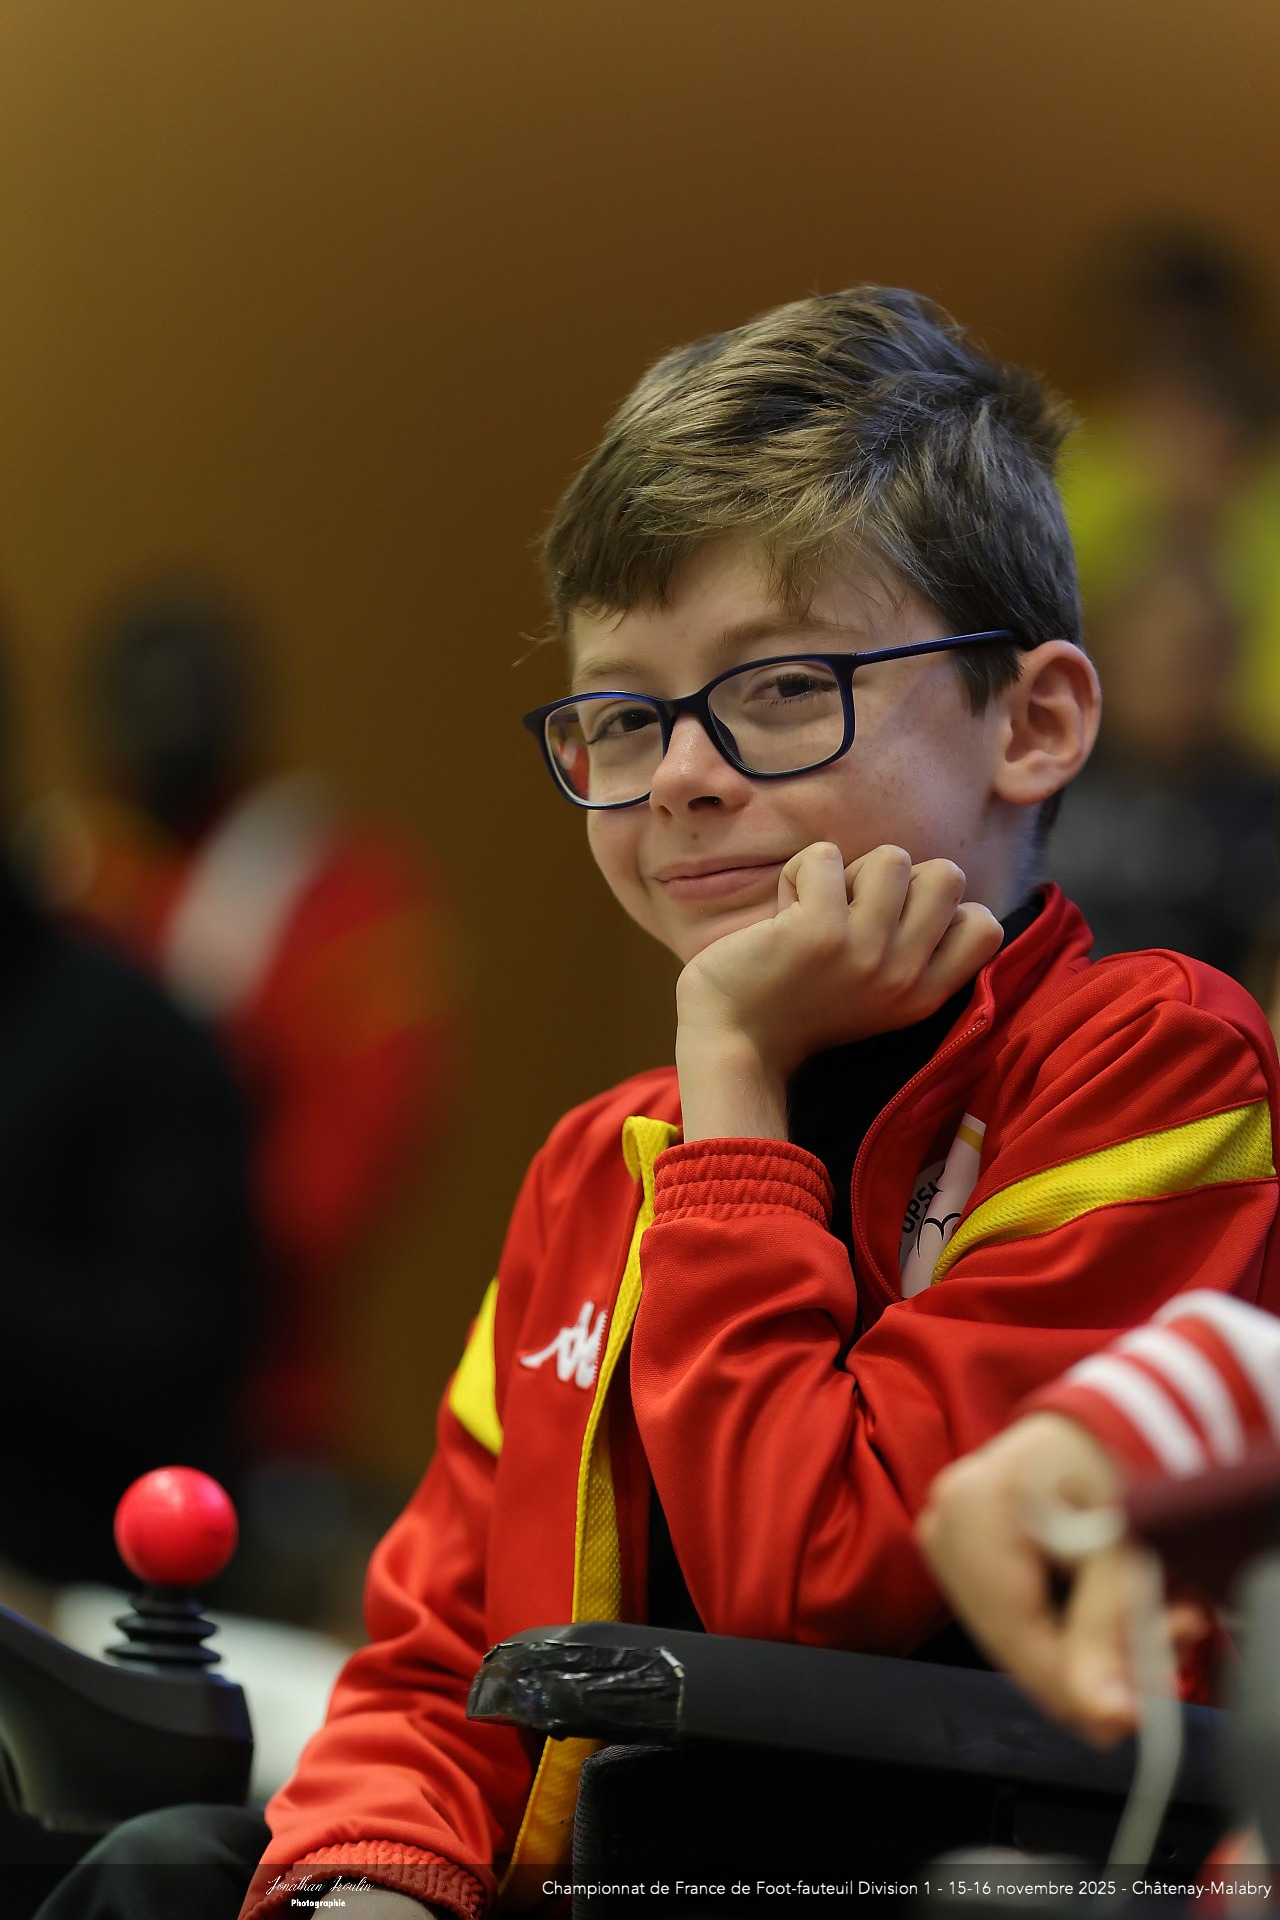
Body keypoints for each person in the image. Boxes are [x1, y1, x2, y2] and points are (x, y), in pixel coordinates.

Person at [35, 286, 1280, 1920]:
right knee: (163, 1870)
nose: (681, 773)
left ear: (1033, 723)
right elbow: (434, 1661)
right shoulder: (600, 1163)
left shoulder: (1151, 1064)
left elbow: (805, 1581)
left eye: (783, 690)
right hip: (588, 1874)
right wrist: (367, 1882)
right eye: (624, 716)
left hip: (944, 1879)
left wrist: (737, 1081)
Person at [28, 581, 460, 1622]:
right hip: (44, 1408)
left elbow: (339, 1171)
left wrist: (167, 1245)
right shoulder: (57, 882)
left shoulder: (347, 900)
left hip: (258, 1401)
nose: (168, 723)